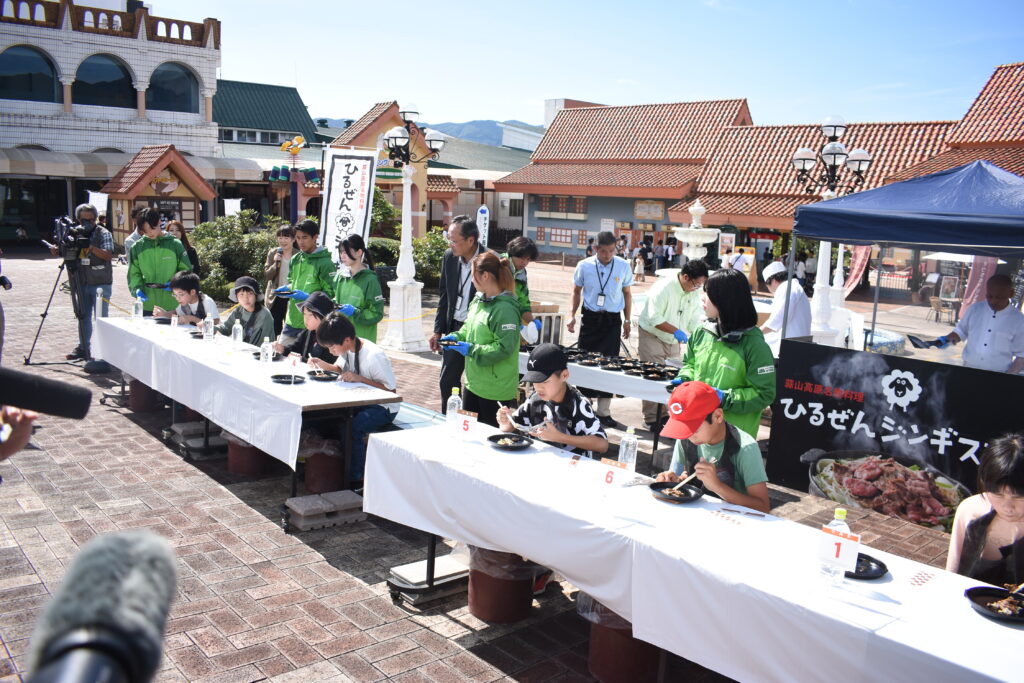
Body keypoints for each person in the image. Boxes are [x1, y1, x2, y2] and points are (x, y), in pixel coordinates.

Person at [671, 268, 775, 439]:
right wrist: (685, 380)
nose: (702, 298)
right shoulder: (701, 332)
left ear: (725, 300)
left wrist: (724, 398)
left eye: (708, 294)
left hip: (733, 438)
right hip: (696, 429)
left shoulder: (754, 345)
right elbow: (690, 364)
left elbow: (764, 394)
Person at [655, 381, 771, 513]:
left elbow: (763, 507)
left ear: (718, 416)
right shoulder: (687, 438)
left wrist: (717, 486)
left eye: (695, 429)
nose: (689, 436)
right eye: (683, 429)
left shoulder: (745, 448)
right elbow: (688, 475)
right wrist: (677, 481)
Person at [314, 312, 398, 486]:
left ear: (346, 340)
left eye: (332, 348)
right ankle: (330, 466)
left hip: (384, 407)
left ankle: (355, 478)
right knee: (329, 417)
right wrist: (323, 364)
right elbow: (338, 368)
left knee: (353, 427)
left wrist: (361, 379)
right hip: (359, 399)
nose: (331, 351)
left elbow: (392, 392)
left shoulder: (373, 355)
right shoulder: (348, 349)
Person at [439, 252, 521, 427]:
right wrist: (455, 337)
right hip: (472, 383)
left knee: (490, 439)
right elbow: (468, 327)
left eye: (473, 275)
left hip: (496, 389)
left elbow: (504, 348)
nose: (471, 280)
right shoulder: (478, 300)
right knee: (469, 433)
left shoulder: (505, 309)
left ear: (485, 276)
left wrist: (471, 349)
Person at [567, 230, 633, 429]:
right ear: (595, 249)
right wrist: (572, 315)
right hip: (590, 318)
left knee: (609, 363)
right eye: (603, 251)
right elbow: (576, 291)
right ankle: (584, 408)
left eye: (611, 251)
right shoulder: (584, 266)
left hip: (612, 320)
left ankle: (604, 412)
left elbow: (627, 293)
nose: (608, 255)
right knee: (585, 361)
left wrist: (627, 320)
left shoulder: (623, 265)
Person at [497, 343, 608, 459]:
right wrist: (505, 420)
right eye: (534, 381)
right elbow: (511, 426)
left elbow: (602, 444)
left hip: (573, 467)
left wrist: (559, 437)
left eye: (545, 381)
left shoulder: (578, 403)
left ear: (564, 375)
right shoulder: (535, 399)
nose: (538, 387)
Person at [638, 259, 709, 428]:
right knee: (653, 375)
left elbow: (693, 319)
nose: (697, 287)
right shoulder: (663, 288)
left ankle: (664, 414)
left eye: (701, 285)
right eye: (696, 284)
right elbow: (654, 318)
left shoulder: (692, 292)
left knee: (671, 377)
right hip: (652, 335)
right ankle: (650, 419)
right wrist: (676, 331)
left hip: (673, 339)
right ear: (685, 277)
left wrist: (700, 334)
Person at [946, 433, 1024, 585]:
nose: (1007, 507)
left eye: (1019, 497)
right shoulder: (970, 510)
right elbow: (952, 573)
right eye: (997, 494)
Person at [430, 216, 489, 413]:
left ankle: (475, 423)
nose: (450, 244)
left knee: (475, 382)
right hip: (454, 328)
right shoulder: (449, 257)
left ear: (471, 240)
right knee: (447, 380)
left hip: (478, 330)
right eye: (449, 239)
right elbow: (444, 295)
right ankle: (450, 419)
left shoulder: (489, 260)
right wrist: (438, 330)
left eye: (454, 240)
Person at [936, 275, 1024, 374]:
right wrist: (941, 342)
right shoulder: (975, 309)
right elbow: (960, 332)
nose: (993, 301)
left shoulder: (1019, 320)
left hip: (998, 376)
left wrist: (1009, 377)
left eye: (999, 297)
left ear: (1011, 294)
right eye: (989, 296)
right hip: (968, 370)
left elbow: (1021, 355)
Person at [60, 203, 113, 361]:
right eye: (84, 220)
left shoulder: (103, 232)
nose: (87, 223)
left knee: (101, 318)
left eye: (91, 219)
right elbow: (68, 252)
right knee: (83, 316)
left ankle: (103, 350)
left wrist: (90, 247)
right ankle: (84, 347)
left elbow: (108, 255)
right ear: (78, 219)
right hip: (81, 281)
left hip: (100, 282)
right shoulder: (74, 233)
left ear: (96, 219)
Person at [276, 219, 336, 342]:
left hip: (313, 323)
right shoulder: (295, 259)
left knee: (306, 360)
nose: (300, 242)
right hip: (291, 319)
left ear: (315, 237)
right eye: (298, 238)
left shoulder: (325, 263)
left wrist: (308, 297)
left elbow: (331, 294)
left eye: (305, 237)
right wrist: (287, 289)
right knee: (282, 355)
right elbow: (294, 282)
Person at [127, 207, 191, 316]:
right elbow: (134, 273)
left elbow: (186, 270)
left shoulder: (175, 244)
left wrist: (175, 283)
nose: (149, 233)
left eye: (152, 228)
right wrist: (137, 289)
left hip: (172, 304)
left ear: (159, 222)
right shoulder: (137, 247)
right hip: (147, 305)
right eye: (145, 231)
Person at [331, 234, 385, 343]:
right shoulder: (340, 276)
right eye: (341, 251)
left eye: (347, 251)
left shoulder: (370, 280)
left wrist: (355, 312)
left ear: (359, 252)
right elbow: (334, 301)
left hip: (362, 341)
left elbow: (377, 314)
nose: (343, 255)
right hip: (341, 339)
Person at [760, 261, 812, 350]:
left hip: (791, 347)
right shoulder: (794, 287)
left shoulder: (786, 289)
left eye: (767, 286)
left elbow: (777, 320)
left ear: (774, 281)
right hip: (799, 343)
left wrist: (756, 333)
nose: (769, 290)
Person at [275, 291, 337, 364]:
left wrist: (304, 360)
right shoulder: (308, 332)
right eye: (304, 314)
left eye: (310, 315)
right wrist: (282, 349)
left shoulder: (332, 338)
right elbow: (295, 348)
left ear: (322, 316)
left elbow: (329, 365)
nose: (306, 319)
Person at [503, 236, 542, 342]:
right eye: (522, 257)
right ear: (513, 253)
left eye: (528, 259)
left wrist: (532, 322)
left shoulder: (522, 273)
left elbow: (523, 303)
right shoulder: (499, 265)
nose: (524, 262)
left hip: (509, 324)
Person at [216, 276, 275, 345]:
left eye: (250, 294)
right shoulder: (238, 311)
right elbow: (225, 328)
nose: (245, 298)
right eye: (241, 294)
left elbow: (268, 342)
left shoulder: (264, 315)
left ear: (256, 296)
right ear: (236, 297)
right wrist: (208, 327)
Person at [153, 270, 219, 326]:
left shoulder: (207, 302)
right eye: (175, 295)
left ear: (192, 292)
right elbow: (176, 313)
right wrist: (164, 314)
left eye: (180, 294)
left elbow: (215, 323)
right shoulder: (185, 303)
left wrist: (192, 318)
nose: (177, 298)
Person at [263, 226, 296, 336]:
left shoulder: (298, 255)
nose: (283, 241)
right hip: (275, 297)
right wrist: (275, 263)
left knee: (289, 329)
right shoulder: (273, 253)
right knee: (274, 328)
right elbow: (267, 276)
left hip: (291, 296)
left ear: (293, 239)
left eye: (286, 237)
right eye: (280, 237)